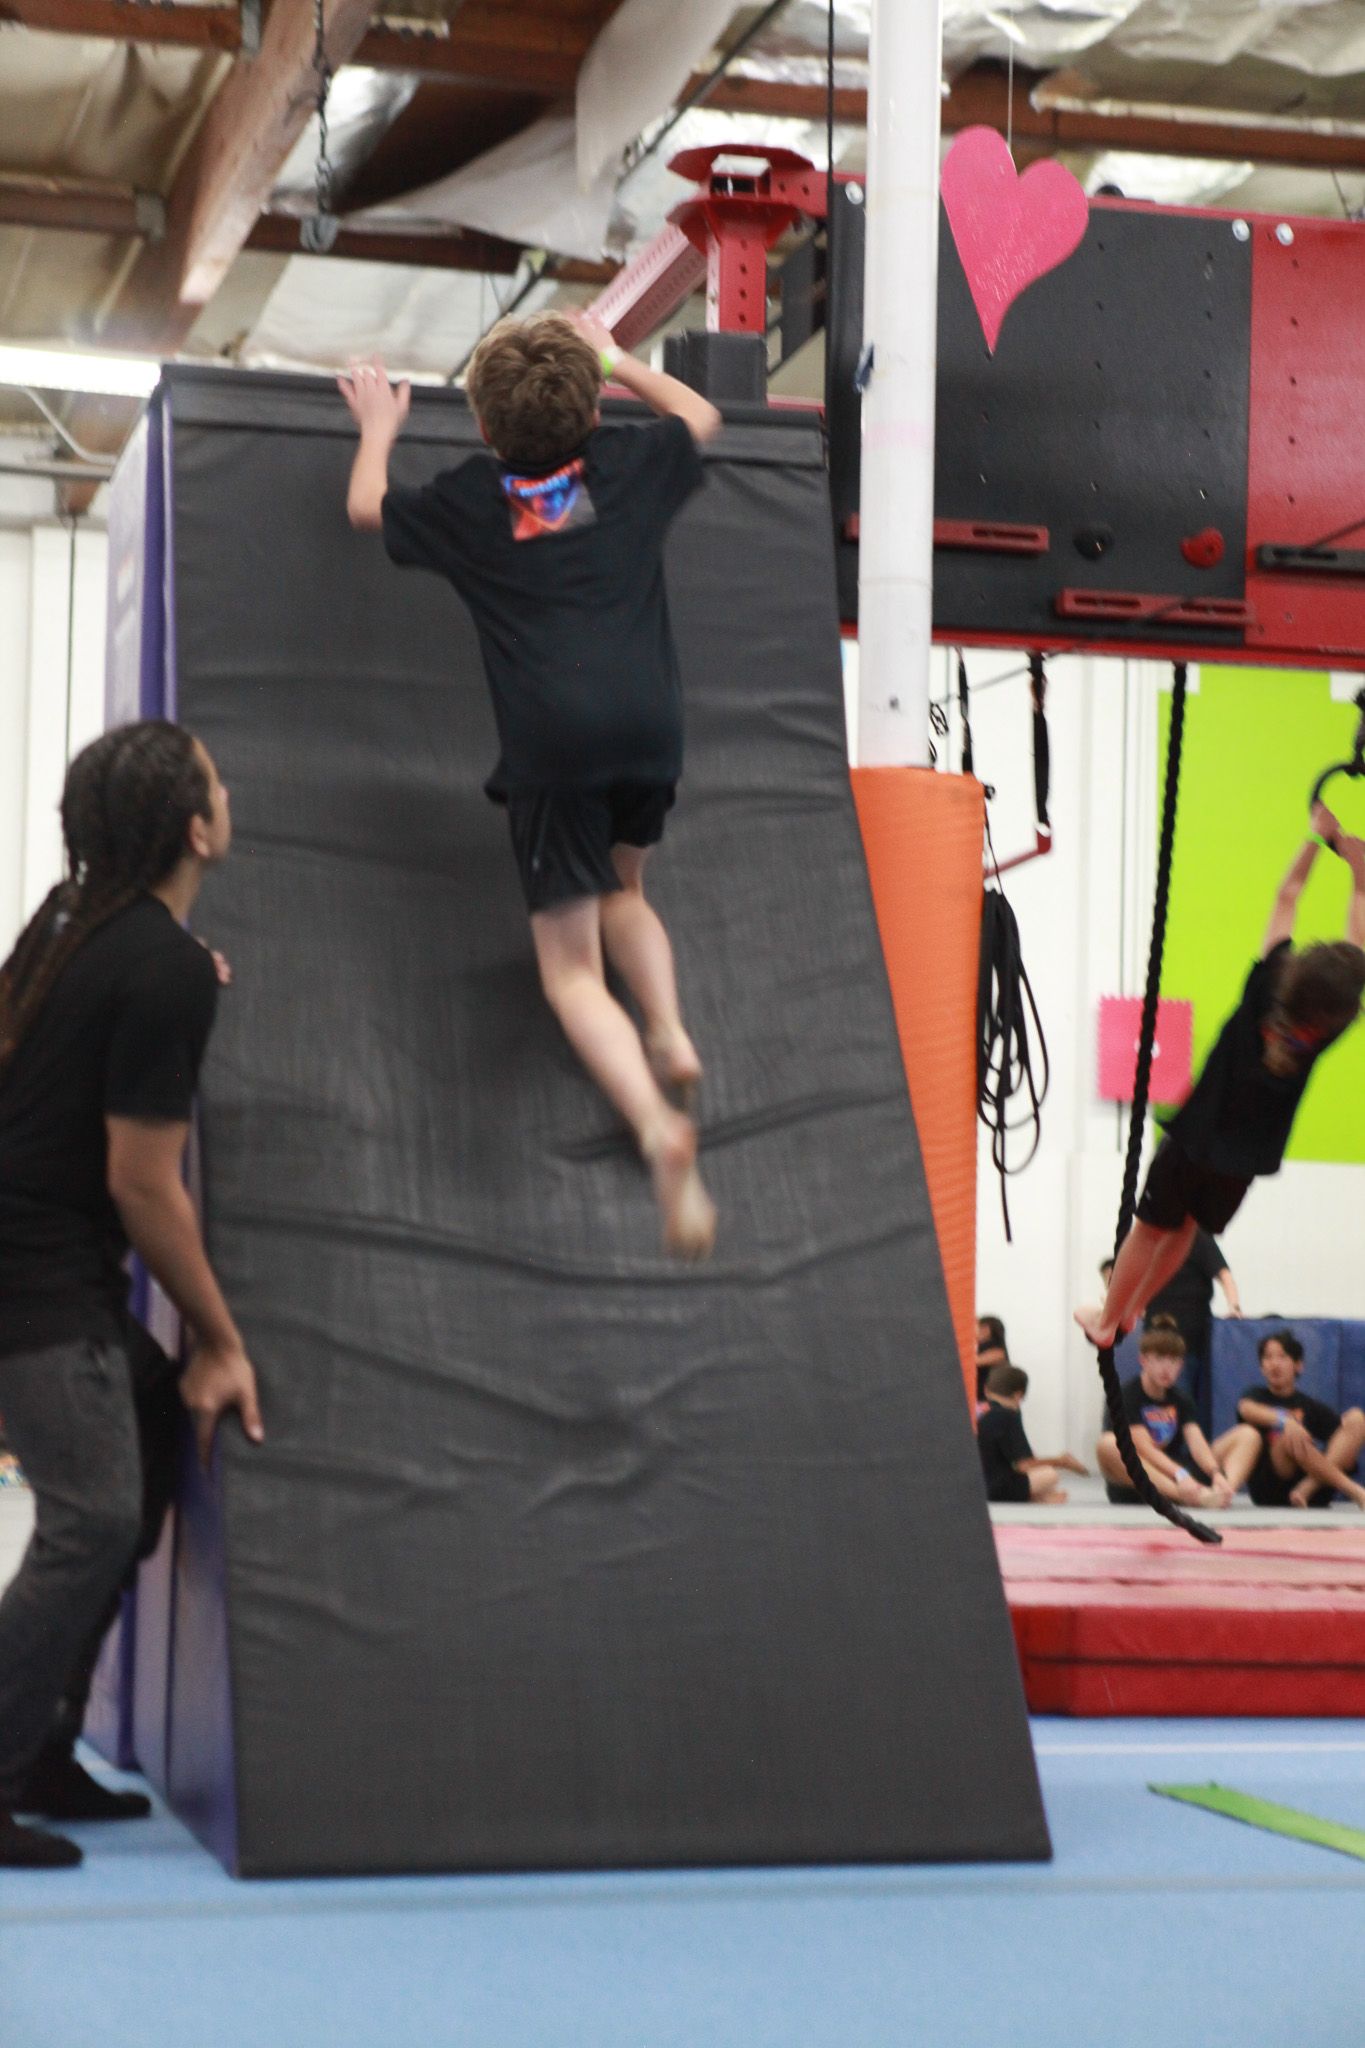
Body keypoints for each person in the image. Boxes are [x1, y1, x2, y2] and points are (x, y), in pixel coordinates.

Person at [339, 310, 723, 1261]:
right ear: (593, 409)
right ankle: (669, 1028)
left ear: (482, 426)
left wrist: (379, 431)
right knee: (626, 886)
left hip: (556, 742)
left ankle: (653, 1123)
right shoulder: (627, 468)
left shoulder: (474, 499)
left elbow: (364, 509)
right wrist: (617, 355)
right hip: (651, 724)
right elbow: (703, 415)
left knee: (569, 969)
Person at [0, 721, 264, 1871]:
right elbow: (143, 1185)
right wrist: (221, 1336)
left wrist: (179, 970)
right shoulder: (150, 958)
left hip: (36, 1262)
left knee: (148, 1427)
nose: (228, 783)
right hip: (34, 1278)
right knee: (95, 1514)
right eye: (216, 776)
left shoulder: (75, 925)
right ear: (195, 827)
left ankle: (45, 1741)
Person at [1077, 811, 1365, 1349]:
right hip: (1242, 1163)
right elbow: (1360, 956)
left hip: (1196, 1137)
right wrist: (1360, 876)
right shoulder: (1324, 1034)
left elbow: (1287, 896)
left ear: (1300, 968)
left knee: (1150, 1226)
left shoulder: (1267, 988)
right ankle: (1136, 1307)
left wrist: (1316, 839)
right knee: (1185, 1231)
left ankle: (1108, 1318)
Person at [1219, 1327, 1365, 1510]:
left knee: (1357, 1418)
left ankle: (1307, 1487)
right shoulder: (1255, 1395)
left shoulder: (1309, 1405)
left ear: (1298, 1365)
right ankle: (1354, 1491)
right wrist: (1286, 1421)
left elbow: (1346, 1447)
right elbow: (1247, 1409)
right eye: (1268, 1358)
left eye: (1282, 1357)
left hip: (1312, 1490)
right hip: (1271, 1489)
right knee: (1289, 1435)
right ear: (1261, 1366)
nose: (1274, 1364)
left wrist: (1349, 1435)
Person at [1096, 1317, 1234, 1509]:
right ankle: (1186, 1497)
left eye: (1174, 1361)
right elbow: (1144, 1447)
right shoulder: (1126, 1395)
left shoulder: (1181, 1398)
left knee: (1246, 1435)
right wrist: (1180, 1475)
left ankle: (1223, 1490)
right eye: (1160, 1359)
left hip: (1176, 1473)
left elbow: (1197, 1443)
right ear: (1143, 1360)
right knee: (1108, 1444)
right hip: (1139, 1479)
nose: (1167, 1368)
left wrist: (1216, 1473)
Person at [1146, 1228, 1241, 1434]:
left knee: (1182, 1400)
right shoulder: (1148, 1238)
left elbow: (1223, 1273)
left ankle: (1184, 1455)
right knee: (1155, 1403)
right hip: (1155, 1340)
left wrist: (1234, 1305)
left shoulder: (1196, 1237)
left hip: (1188, 1341)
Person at [977, 1363, 1087, 1504]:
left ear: (986, 1390)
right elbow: (1024, 1465)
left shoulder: (978, 1412)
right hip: (994, 1488)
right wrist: (1061, 1462)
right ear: (1018, 1395)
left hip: (974, 1485)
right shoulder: (1008, 1415)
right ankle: (1036, 1498)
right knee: (1050, 1474)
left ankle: (1039, 1497)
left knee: (1042, 1478)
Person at [976, 1314, 1008, 1398]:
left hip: (989, 1401)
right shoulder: (981, 1349)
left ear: (985, 1329)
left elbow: (973, 1361)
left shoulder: (998, 1352)